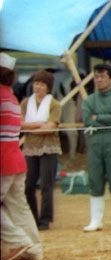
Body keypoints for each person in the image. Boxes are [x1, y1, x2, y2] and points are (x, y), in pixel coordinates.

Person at [0, 53, 43, 260]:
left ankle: (18, 241)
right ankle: (33, 249)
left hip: (3, 161)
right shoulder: (11, 97)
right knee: (19, 205)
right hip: (16, 159)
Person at [82, 63, 111, 232]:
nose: (99, 80)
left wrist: (98, 117)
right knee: (95, 179)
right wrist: (109, 116)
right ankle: (96, 220)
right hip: (95, 141)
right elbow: (87, 120)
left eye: (102, 76)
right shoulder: (88, 100)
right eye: (96, 76)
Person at [20, 70, 62, 231]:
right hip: (30, 148)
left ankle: (45, 219)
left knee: (46, 185)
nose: (38, 87)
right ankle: (32, 217)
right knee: (28, 185)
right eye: (36, 83)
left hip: (48, 148)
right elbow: (20, 124)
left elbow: (51, 127)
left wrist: (30, 128)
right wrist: (39, 124)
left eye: (42, 84)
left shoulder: (54, 104)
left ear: (48, 87)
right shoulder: (25, 103)